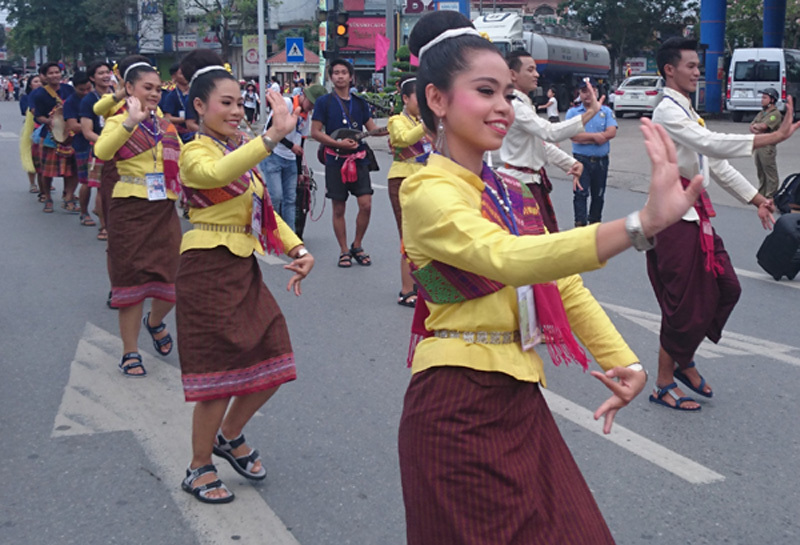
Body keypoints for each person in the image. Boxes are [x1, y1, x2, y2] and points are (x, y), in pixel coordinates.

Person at [397, 11, 708, 545]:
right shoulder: (426, 192)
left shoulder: (508, 193)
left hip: (518, 396)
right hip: (456, 405)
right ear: (438, 100)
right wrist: (639, 224)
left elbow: (560, 283)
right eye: (485, 91)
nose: (503, 107)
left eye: (506, 92)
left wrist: (621, 359)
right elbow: (510, 260)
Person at [175, 51, 314, 504]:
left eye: (240, 103)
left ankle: (230, 434)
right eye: (226, 103)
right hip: (207, 267)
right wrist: (271, 135)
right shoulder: (194, 151)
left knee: (275, 355)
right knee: (218, 375)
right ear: (199, 106)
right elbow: (215, 175)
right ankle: (198, 468)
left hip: (241, 267)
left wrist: (298, 248)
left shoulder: (241, 151)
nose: (237, 112)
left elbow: (263, 211)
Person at [648, 37, 800, 411]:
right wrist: (772, 136)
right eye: (691, 66)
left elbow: (714, 163)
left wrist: (758, 198)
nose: (698, 73)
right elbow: (711, 144)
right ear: (670, 70)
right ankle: (664, 383)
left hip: (696, 212)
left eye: (698, 66)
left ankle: (684, 358)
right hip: (671, 216)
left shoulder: (686, 111)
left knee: (727, 288)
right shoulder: (667, 111)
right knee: (683, 303)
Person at [94, 55, 183, 378]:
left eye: (158, 88)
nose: (155, 93)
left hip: (163, 208)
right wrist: (131, 121)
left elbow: (182, 163)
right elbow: (102, 152)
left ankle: (155, 322)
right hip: (129, 209)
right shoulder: (119, 121)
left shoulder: (165, 126)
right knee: (130, 283)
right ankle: (129, 351)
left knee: (172, 280)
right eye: (148, 87)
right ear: (129, 88)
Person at [498, 49, 597, 233]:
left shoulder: (523, 105)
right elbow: (549, 132)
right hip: (520, 184)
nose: (536, 74)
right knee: (534, 243)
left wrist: (569, 162)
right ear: (512, 74)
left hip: (528, 181)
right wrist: (590, 113)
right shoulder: (515, 106)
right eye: (530, 70)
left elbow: (540, 143)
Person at [311, 59, 387, 267]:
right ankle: (344, 249)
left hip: (359, 160)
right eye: (336, 73)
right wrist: (337, 143)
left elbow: (372, 129)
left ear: (351, 76)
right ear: (331, 77)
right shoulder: (323, 103)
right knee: (338, 208)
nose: (340, 76)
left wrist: (397, 124)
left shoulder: (360, 103)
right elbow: (315, 132)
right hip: (335, 161)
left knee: (366, 204)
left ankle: (357, 244)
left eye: (344, 72)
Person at [386, 76, 432, 308]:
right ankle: (406, 290)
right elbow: (401, 140)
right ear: (405, 98)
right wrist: (426, 126)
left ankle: (423, 284)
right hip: (402, 179)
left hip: (424, 179)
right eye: (418, 97)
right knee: (408, 236)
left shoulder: (420, 121)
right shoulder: (397, 120)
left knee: (425, 234)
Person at [258, 89, 316, 232]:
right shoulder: (287, 104)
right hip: (273, 154)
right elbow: (272, 129)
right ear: (304, 96)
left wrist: (299, 171)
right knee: (276, 197)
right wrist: (290, 146)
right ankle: (271, 232)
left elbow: (301, 144)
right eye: (311, 103)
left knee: (290, 199)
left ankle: (288, 236)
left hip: (290, 160)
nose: (311, 107)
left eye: (315, 106)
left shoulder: (306, 117)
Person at [566, 77, 618, 227]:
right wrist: (597, 137)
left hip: (601, 161)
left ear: (596, 91)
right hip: (581, 160)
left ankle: (595, 225)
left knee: (599, 195)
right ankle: (580, 225)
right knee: (580, 194)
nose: (587, 95)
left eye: (591, 91)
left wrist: (587, 138)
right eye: (584, 91)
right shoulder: (573, 113)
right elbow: (574, 136)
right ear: (579, 94)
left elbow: (611, 132)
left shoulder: (606, 111)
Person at [29, 62, 77, 213]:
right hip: (50, 135)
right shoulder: (39, 94)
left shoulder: (69, 90)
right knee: (47, 171)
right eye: (51, 73)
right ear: (44, 76)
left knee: (72, 170)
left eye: (57, 72)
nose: (55, 75)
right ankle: (47, 197)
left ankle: (68, 196)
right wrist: (49, 121)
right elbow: (37, 116)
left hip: (70, 135)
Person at [80, 60, 115, 241]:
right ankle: (103, 226)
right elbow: (87, 132)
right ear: (92, 78)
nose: (106, 76)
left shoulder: (118, 96)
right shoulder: (88, 100)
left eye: (107, 72)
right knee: (102, 190)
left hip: (120, 150)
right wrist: (107, 143)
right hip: (100, 149)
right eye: (100, 73)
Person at [62, 70, 95, 227]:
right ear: (74, 87)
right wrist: (92, 126)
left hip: (104, 144)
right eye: (82, 89)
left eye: (89, 88)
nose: (86, 92)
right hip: (83, 145)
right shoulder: (70, 102)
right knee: (87, 182)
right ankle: (84, 212)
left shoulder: (100, 98)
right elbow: (73, 126)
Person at [750, 87, 782, 198]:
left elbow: (764, 126)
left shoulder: (775, 114)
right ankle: (762, 193)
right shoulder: (762, 113)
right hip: (759, 144)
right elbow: (752, 126)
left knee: (770, 172)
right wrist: (756, 127)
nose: (762, 100)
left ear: (772, 100)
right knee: (761, 172)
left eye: (765, 98)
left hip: (767, 146)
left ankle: (771, 195)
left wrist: (757, 127)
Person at [161, 64, 198, 144]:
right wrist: (187, 119)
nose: (186, 75)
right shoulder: (171, 96)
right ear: (174, 76)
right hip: (180, 135)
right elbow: (167, 118)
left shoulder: (195, 92)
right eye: (181, 73)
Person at [19, 74, 42, 195]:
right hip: (31, 128)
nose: (38, 83)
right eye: (35, 81)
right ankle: (33, 183)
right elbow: (24, 111)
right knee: (31, 156)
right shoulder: (26, 98)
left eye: (40, 81)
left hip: (44, 128)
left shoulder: (47, 96)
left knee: (44, 157)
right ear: (30, 85)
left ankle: (45, 183)